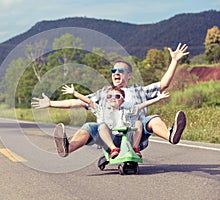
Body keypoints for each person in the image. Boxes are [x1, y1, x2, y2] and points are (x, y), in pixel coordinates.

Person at [31, 43, 189, 158]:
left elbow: (163, 85)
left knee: (152, 119)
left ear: (129, 75)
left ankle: (170, 135)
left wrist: (174, 61)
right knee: (89, 126)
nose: (116, 73)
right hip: (110, 137)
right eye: (114, 70)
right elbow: (78, 102)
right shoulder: (104, 93)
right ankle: (67, 147)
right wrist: (51, 103)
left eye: (121, 70)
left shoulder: (139, 91)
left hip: (136, 136)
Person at [61, 84, 170, 158]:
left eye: (117, 96)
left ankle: (135, 149)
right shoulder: (102, 110)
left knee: (138, 123)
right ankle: (113, 150)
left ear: (122, 100)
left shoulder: (129, 109)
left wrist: (158, 98)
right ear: (106, 99)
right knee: (101, 126)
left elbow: (143, 105)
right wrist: (74, 93)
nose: (113, 98)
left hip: (128, 140)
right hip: (112, 141)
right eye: (109, 96)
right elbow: (89, 101)